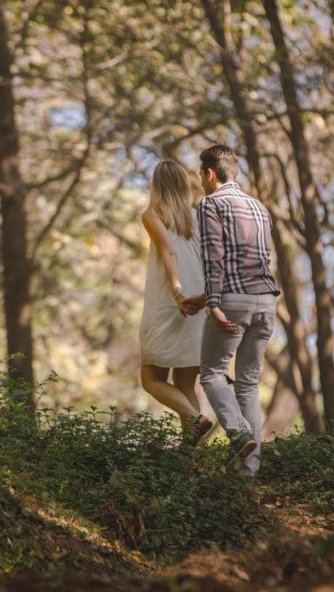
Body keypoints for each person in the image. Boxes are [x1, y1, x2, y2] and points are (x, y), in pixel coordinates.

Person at [185, 145, 279, 476]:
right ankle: (248, 474)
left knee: (211, 373)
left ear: (211, 173)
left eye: (200, 175)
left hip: (232, 301)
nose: (200, 181)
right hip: (266, 302)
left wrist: (213, 304)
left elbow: (215, 258)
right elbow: (262, 261)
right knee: (248, 385)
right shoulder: (259, 208)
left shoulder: (211, 204)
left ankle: (238, 434)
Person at [139, 160, 215, 446]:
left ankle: (195, 421)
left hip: (173, 303)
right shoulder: (196, 216)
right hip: (200, 300)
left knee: (150, 379)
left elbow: (169, 253)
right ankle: (195, 458)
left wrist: (178, 294)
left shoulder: (152, 214)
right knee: (185, 385)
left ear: (157, 185)